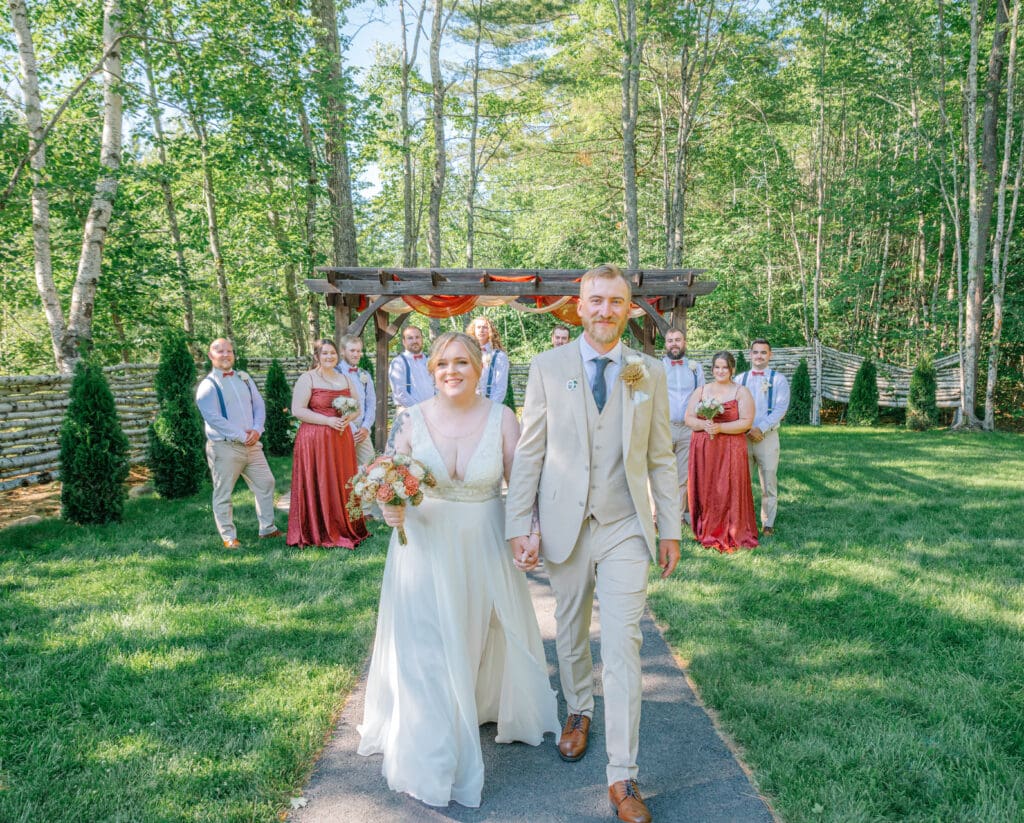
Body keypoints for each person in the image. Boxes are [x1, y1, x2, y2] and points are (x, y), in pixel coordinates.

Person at [505, 264, 681, 823]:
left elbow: (660, 456)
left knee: (624, 641)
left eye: (617, 301)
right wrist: (519, 522)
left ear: (630, 309)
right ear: (578, 307)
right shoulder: (547, 366)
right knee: (572, 625)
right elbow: (531, 451)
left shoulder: (648, 371)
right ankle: (579, 708)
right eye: (596, 300)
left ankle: (622, 774)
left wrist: (670, 526)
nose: (606, 310)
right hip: (565, 520)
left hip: (625, 522)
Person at [358, 332, 559, 808]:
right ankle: (432, 756)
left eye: (462, 362)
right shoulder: (411, 419)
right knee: (427, 647)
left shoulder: (502, 418)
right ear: (432, 371)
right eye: (443, 363)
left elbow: (521, 483)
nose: (452, 370)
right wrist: (389, 506)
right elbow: (390, 478)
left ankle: (481, 701)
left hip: (484, 542)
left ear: (479, 367)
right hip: (424, 548)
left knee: (475, 634)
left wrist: (531, 532)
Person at [195, 338, 282, 549]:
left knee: (266, 482)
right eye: (220, 351)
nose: (226, 355)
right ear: (211, 356)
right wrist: (242, 436)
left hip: (252, 445)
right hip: (225, 447)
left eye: (229, 351)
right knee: (223, 492)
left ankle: (267, 528)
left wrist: (257, 429)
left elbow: (258, 405)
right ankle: (229, 537)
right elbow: (213, 418)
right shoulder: (207, 386)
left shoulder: (244, 378)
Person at [286, 339, 368, 548]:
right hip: (315, 439)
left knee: (342, 480)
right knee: (321, 479)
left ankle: (344, 525)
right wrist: (327, 420)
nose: (329, 357)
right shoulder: (308, 378)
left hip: (341, 438)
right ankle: (318, 528)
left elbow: (357, 408)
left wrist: (348, 418)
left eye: (332, 353)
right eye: (325, 353)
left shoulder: (345, 379)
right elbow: (298, 410)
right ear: (317, 356)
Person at [684, 350, 758, 552]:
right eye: (717, 367)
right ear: (712, 369)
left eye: (725, 367)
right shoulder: (701, 390)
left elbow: (746, 422)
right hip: (704, 448)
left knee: (729, 486)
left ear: (732, 369)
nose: (720, 371)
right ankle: (706, 528)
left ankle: (733, 529)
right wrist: (704, 425)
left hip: (731, 448)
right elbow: (688, 418)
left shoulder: (741, 392)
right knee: (707, 486)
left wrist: (720, 428)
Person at [733, 339, 790, 537]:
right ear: (750, 355)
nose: (759, 356)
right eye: (755, 352)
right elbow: (734, 406)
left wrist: (761, 428)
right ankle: (742, 520)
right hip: (743, 436)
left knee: (769, 480)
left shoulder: (779, 380)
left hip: (768, 437)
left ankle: (768, 523)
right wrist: (747, 428)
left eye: (763, 352)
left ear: (770, 355)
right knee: (741, 481)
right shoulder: (740, 379)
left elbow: (780, 409)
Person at [662, 327, 704, 526]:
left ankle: (677, 516)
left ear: (684, 342)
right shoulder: (657, 367)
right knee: (661, 472)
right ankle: (657, 516)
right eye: (670, 340)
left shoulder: (696, 368)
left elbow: (702, 396)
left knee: (682, 474)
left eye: (677, 340)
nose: (674, 344)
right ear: (665, 344)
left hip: (688, 428)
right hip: (664, 427)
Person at [338, 333, 375, 467]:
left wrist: (365, 427)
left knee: (370, 467)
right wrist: (351, 429)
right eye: (352, 350)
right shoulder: (335, 373)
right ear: (342, 351)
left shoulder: (364, 375)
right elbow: (333, 405)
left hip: (362, 430)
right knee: (344, 468)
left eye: (358, 351)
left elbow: (371, 403)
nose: (356, 354)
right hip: (341, 428)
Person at [388, 325, 433, 412]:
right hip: (408, 411)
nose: (414, 341)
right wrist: (419, 410)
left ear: (422, 339)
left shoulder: (430, 360)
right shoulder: (398, 363)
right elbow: (400, 393)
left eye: (417, 337)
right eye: (410, 338)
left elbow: (437, 386)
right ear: (404, 342)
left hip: (432, 410)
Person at [466, 315, 509, 402]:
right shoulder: (467, 353)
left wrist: (491, 407)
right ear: (473, 330)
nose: (481, 330)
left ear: (490, 331)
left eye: (485, 327)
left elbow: (501, 388)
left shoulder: (499, 356)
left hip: (489, 403)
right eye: (478, 327)